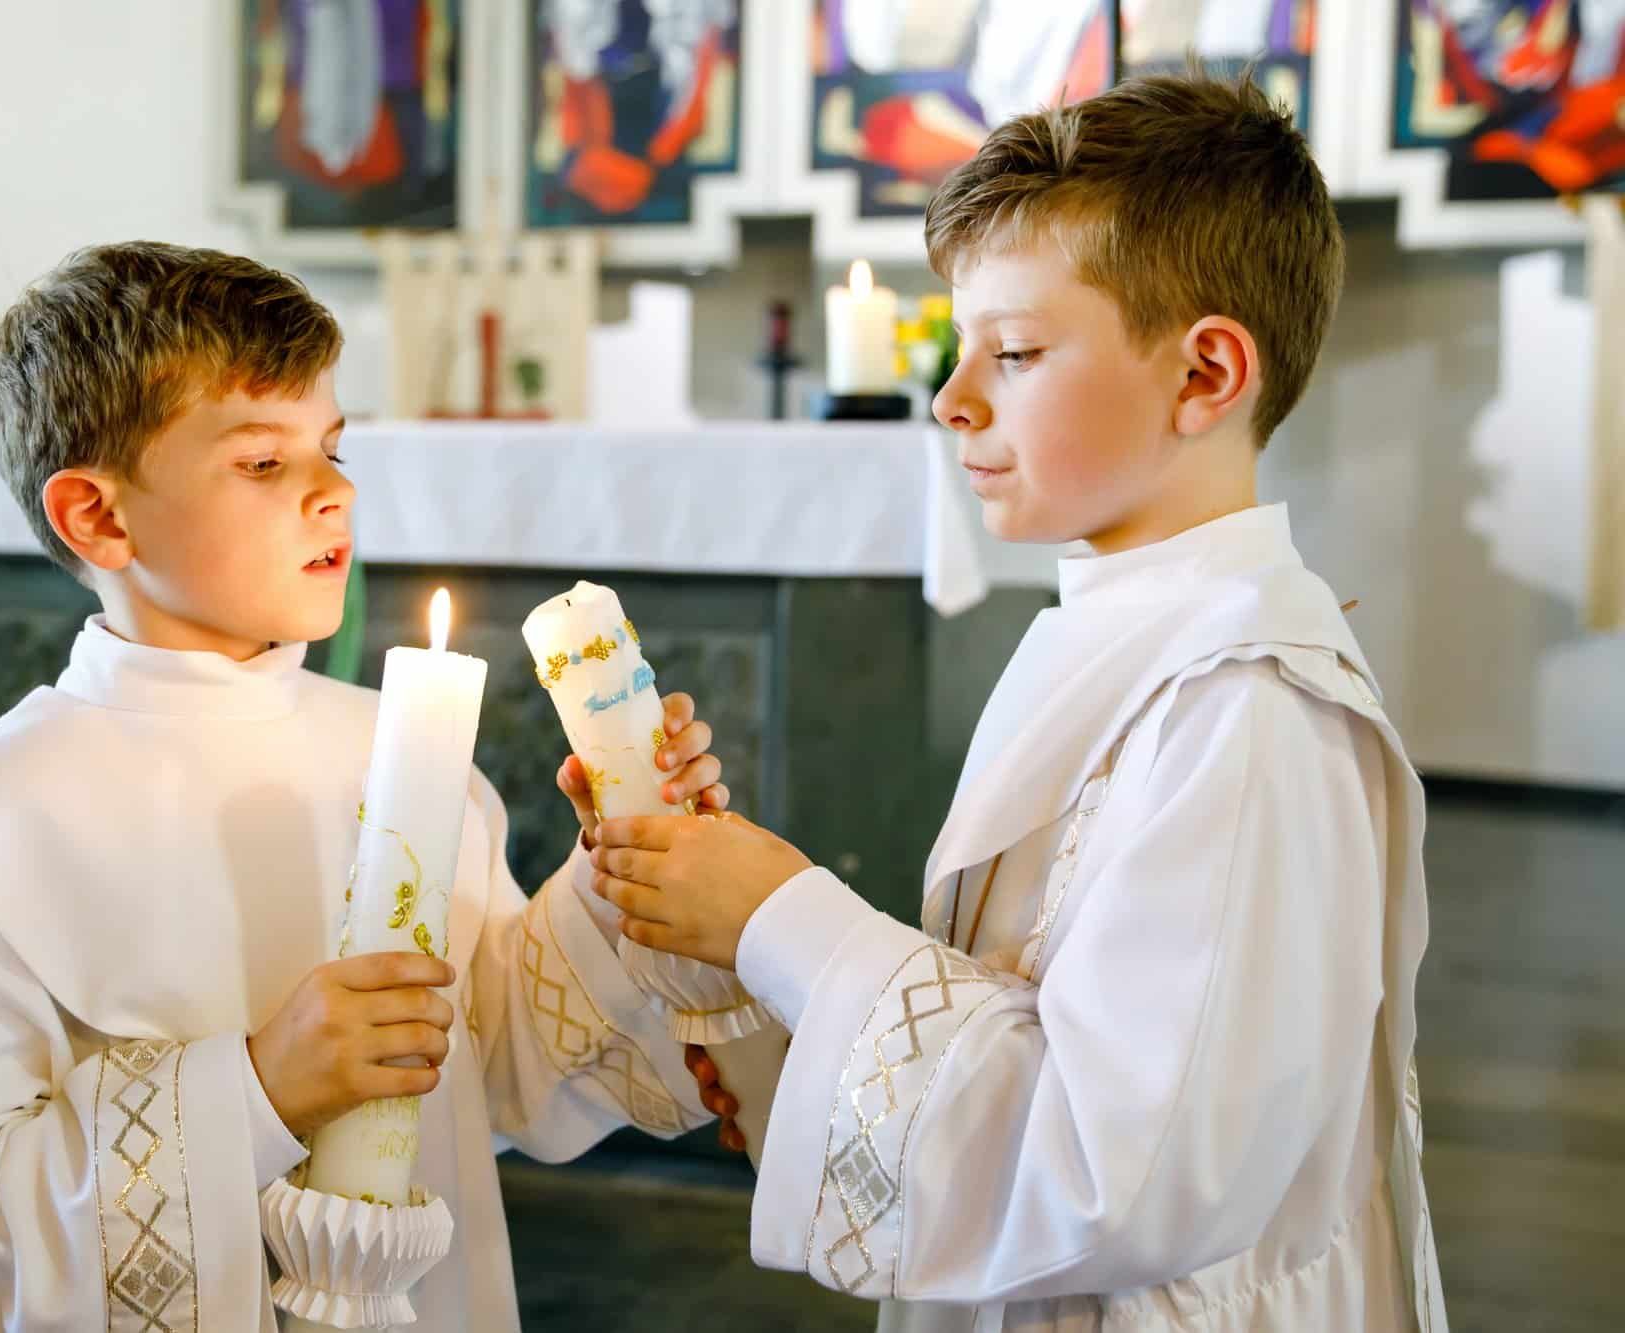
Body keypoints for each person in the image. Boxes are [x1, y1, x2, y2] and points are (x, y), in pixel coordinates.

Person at [591, 72, 1447, 1331]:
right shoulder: (1122, 631)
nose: (951, 399)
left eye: (1018, 350)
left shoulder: (1246, 712)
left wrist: (786, 918)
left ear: (1204, 372)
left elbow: (1126, 1172)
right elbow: (1024, 994)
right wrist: (772, 1012)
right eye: (958, 346)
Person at [0, 241, 732, 1330]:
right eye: (264, 463)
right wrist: (258, 1089)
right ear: (98, 517)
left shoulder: (405, 754)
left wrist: (620, 877)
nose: (333, 493)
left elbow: (494, 1069)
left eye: (334, 449)